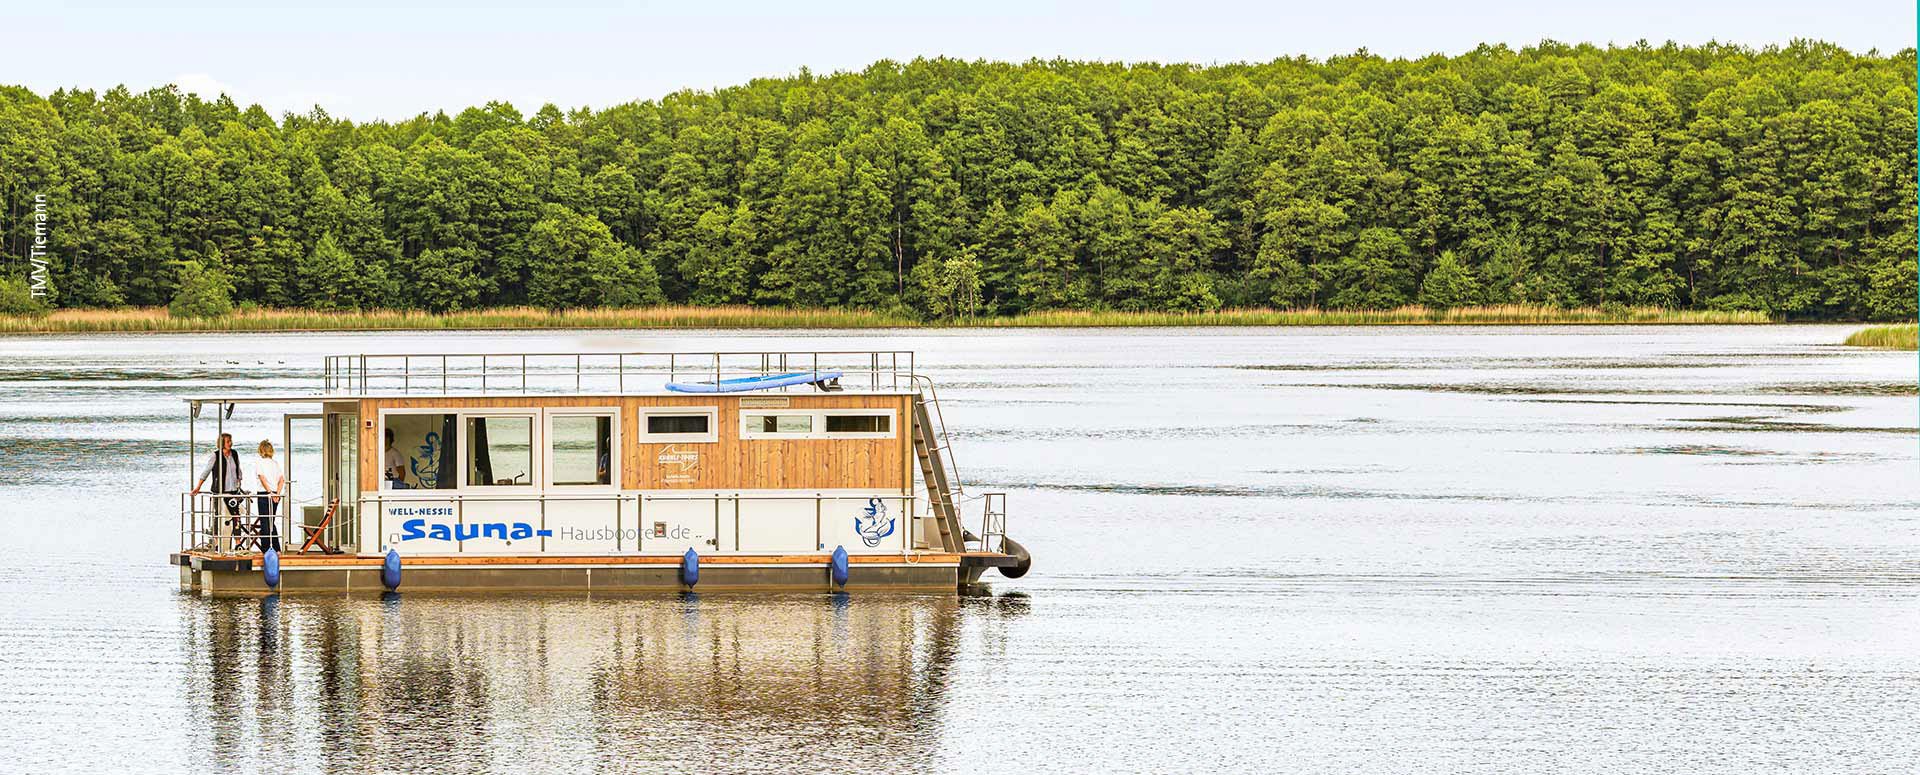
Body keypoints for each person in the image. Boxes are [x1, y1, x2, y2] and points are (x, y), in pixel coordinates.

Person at [190, 433, 244, 552]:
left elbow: (238, 469)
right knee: (217, 516)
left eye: (231, 441)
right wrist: (198, 487)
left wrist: (240, 481)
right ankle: (216, 541)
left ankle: (238, 543)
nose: (230, 443)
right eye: (228, 441)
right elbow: (206, 471)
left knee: (236, 516)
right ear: (222, 443)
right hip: (219, 491)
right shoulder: (215, 456)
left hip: (233, 491)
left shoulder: (234, 454)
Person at [254, 440, 284, 553]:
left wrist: (269, 492)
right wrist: (277, 493)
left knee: (265, 522)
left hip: (264, 494)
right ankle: (277, 548)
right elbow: (281, 480)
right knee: (271, 521)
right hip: (275, 494)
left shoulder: (260, 463)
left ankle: (266, 549)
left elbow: (262, 478)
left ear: (261, 450)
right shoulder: (275, 463)